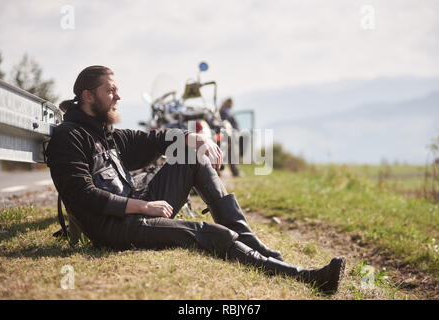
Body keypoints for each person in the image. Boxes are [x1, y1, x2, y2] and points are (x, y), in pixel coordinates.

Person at [45, 65, 346, 294]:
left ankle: (259, 249)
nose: (118, 96)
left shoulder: (105, 133)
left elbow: (155, 139)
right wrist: (142, 207)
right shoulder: (69, 138)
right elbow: (81, 195)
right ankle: (302, 276)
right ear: (87, 96)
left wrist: (194, 137)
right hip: (112, 227)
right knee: (209, 234)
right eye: (110, 90)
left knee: (191, 157)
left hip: (135, 209)